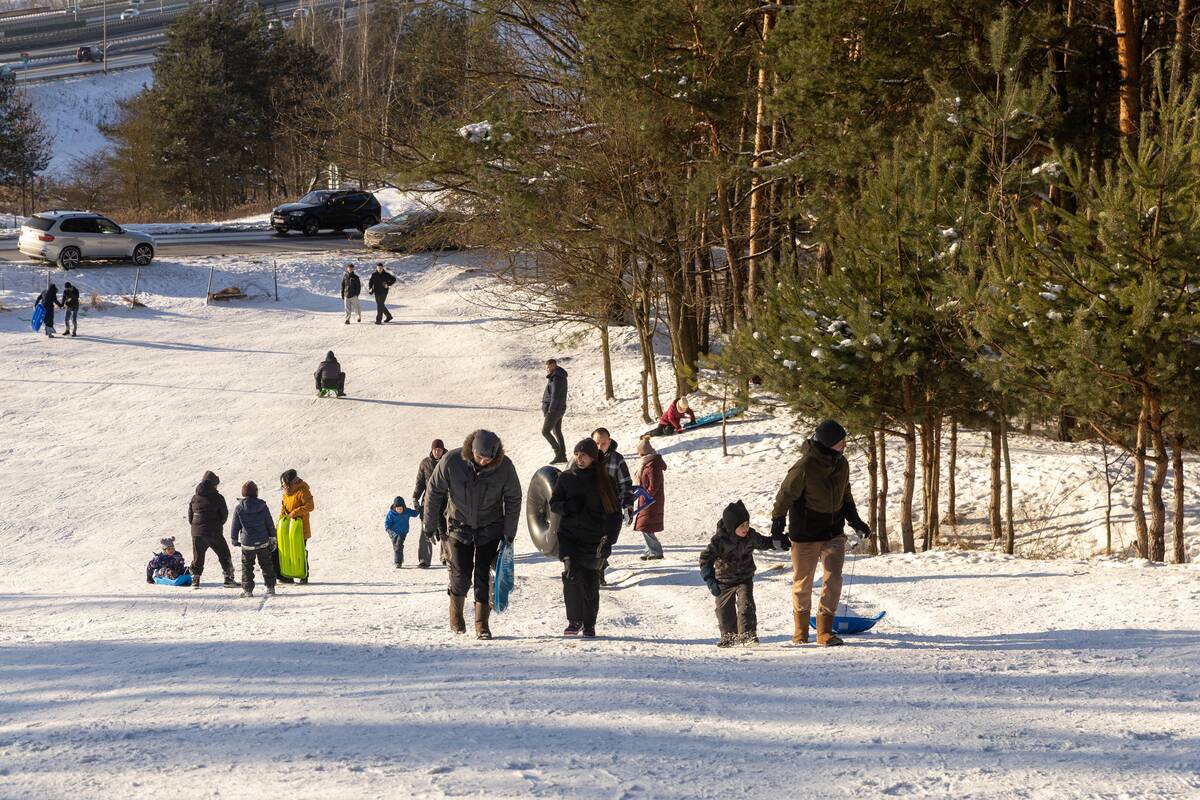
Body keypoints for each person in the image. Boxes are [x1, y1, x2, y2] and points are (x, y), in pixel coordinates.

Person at [770, 419, 872, 646]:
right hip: (805, 534)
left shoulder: (842, 464)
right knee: (803, 582)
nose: (844, 445)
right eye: (840, 442)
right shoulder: (804, 467)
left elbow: (846, 496)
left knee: (833, 578)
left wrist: (856, 522)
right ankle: (801, 631)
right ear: (827, 443)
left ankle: (824, 631)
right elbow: (784, 496)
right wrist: (777, 527)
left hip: (833, 532)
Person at [421, 430, 522, 640]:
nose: (483, 461)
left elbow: (513, 498)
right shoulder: (451, 461)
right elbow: (434, 490)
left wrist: (509, 533)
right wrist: (429, 525)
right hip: (459, 525)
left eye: (488, 458)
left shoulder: (504, 467)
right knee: (461, 573)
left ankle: (481, 624)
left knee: (483, 575)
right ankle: (456, 611)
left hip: (490, 527)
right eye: (479, 457)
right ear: (471, 450)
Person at [550, 438, 619, 637]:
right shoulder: (566, 478)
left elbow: (614, 514)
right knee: (571, 577)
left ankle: (589, 624)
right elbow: (554, 503)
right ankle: (574, 621)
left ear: (593, 458)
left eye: (584, 456)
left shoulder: (604, 480)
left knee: (590, 582)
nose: (579, 459)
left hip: (594, 538)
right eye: (577, 455)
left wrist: (609, 540)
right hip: (569, 536)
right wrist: (567, 507)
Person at [699, 500, 788, 647]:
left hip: (744, 578)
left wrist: (779, 543)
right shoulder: (719, 541)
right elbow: (705, 559)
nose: (746, 528)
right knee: (724, 611)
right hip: (723, 581)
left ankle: (748, 635)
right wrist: (709, 579)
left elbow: (764, 543)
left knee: (746, 606)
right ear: (731, 526)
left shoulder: (750, 536)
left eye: (747, 523)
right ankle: (730, 636)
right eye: (742, 525)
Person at [591, 427, 633, 582]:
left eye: (603, 443)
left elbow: (625, 484)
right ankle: (595, 572)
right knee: (591, 542)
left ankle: (599, 572)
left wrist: (627, 505)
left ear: (609, 442)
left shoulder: (617, 459)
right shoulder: (583, 456)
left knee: (604, 543)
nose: (600, 447)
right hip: (588, 508)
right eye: (596, 443)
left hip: (609, 508)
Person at [188, 470, 235, 589]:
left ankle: (195, 579)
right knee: (224, 554)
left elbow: (190, 516)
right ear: (214, 484)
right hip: (214, 531)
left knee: (198, 557)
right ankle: (228, 579)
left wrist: (196, 527)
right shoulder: (218, 497)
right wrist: (218, 524)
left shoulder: (195, 497)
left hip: (197, 532)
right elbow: (224, 514)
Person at [230, 481, 277, 598]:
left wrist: (234, 539)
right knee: (266, 565)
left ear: (243, 492)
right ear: (256, 492)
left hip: (248, 543)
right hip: (263, 541)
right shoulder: (263, 506)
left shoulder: (239, 508)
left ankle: (248, 591)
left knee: (247, 567)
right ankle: (270, 587)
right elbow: (269, 523)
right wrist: (272, 537)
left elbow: (235, 526)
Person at [412, 439, 448, 568]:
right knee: (425, 528)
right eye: (435, 449)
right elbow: (420, 482)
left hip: (446, 501)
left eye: (439, 449)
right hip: (428, 501)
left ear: (443, 450)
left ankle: (446, 556)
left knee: (446, 529)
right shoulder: (425, 463)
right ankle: (424, 559)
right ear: (432, 450)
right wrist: (415, 497)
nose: (437, 452)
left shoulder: (448, 461)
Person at [276, 469, 315, 584]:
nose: (283, 484)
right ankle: (288, 575)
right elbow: (283, 509)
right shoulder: (286, 493)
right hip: (287, 528)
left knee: (300, 551)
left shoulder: (303, 490)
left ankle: (304, 575)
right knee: (288, 551)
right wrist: (279, 524)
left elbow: (310, 506)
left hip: (300, 528)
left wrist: (295, 513)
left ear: (291, 481)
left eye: (284, 482)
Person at [633, 437, 666, 560]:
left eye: (639, 453)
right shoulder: (648, 464)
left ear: (644, 453)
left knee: (645, 526)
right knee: (646, 526)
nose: (638, 456)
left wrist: (646, 495)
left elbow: (653, 486)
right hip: (647, 500)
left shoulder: (653, 466)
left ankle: (656, 551)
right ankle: (649, 550)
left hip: (651, 502)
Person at [541, 359, 568, 463]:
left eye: (549, 367)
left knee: (545, 431)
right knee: (557, 431)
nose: (548, 369)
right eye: (546, 368)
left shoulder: (556, 377)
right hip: (558, 408)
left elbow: (555, 395)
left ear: (554, 366)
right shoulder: (557, 376)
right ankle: (562, 456)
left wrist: (550, 410)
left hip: (554, 409)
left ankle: (558, 453)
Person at [385, 496, 420, 568]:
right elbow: (387, 522)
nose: (399, 510)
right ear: (395, 508)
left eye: (400, 509)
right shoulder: (391, 513)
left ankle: (398, 562)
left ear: (403, 507)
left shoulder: (407, 511)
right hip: (393, 532)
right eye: (397, 509)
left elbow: (415, 514)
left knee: (398, 546)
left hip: (403, 532)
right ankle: (400, 558)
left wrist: (417, 506)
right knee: (396, 547)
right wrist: (388, 530)